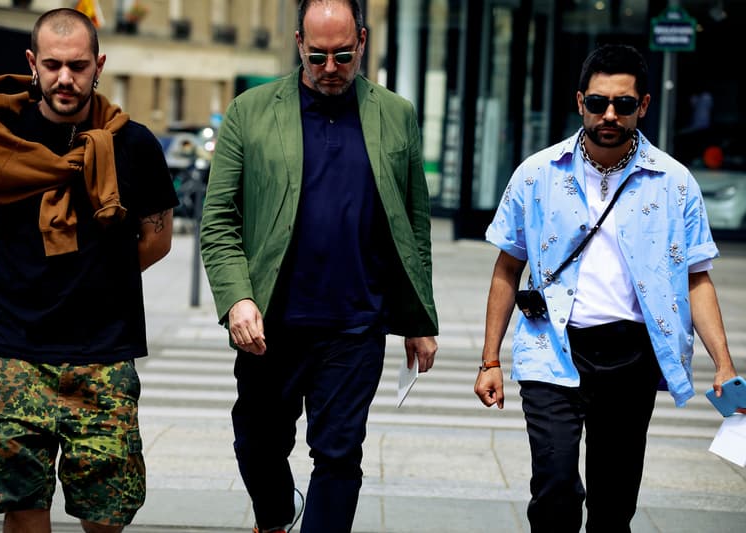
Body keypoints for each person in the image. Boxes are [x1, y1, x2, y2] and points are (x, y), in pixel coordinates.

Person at [473, 43, 743, 533]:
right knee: (555, 490)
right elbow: (507, 266)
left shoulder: (675, 183)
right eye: (598, 103)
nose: (609, 115)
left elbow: (697, 278)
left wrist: (723, 364)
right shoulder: (537, 175)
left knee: (613, 503)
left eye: (623, 104)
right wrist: (490, 359)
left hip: (631, 356)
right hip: (552, 347)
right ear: (580, 103)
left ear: (643, 105)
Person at [199, 1, 438, 531]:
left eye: (344, 55)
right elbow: (218, 222)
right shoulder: (250, 111)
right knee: (256, 444)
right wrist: (237, 299)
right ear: (298, 44)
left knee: (338, 456)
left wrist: (421, 322)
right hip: (271, 324)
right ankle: (277, 514)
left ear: (365, 41)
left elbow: (413, 222)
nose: (330, 68)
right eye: (318, 55)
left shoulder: (396, 114)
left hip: (356, 326)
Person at [0, 8, 178, 533]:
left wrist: (98, 284)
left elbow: (158, 238)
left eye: (78, 65)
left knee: (107, 516)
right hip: (17, 355)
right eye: (52, 64)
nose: (65, 78)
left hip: (104, 356)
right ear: (32, 62)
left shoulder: (135, 144)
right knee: (22, 507)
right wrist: (29, 285)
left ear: (98, 64)